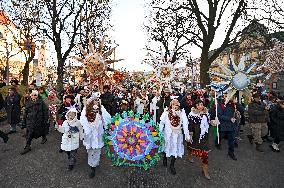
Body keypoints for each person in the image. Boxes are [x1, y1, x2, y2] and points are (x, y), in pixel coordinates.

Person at [80, 93, 111, 178]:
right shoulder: (86, 109)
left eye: (98, 100)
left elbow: (107, 118)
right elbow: (83, 120)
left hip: (98, 132)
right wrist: (88, 127)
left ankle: (93, 167)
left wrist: (107, 125)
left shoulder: (101, 108)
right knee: (90, 149)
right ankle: (91, 163)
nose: (97, 101)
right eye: (95, 100)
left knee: (97, 149)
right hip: (89, 133)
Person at [159, 99, 190, 175]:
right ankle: (165, 158)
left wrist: (187, 134)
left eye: (176, 105)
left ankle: (172, 165)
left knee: (175, 148)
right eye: (173, 104)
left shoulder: (182, 112)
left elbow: (185, 124)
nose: (175, 106)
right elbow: (162, 122)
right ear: (171, 105)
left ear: (178, 105)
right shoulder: (166, 112)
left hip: (177, 134)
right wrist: (160, 132)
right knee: (166, 146)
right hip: (168, 133)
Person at [187, 99, 211, 180]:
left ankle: (205, 171)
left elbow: (208, 123)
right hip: (195, 136)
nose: (202, 106)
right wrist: (190, 135)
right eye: (200, 104)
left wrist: (213, 122)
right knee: (191, 148)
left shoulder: (206, 113)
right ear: (196, 106)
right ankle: (189, 156)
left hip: (204, 137)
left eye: (202, 104)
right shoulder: (192, 114)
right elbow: (190, 125)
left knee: (205, 155)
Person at [20, 90, 49, 155]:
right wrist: (24, 121)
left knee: (40, 130)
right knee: (29, 133)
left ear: (37, 95)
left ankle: (44, 137)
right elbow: (26, 113)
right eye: (32, 95)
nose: (33, 96)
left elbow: (45, 111)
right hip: (30, 121)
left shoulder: (41, 102)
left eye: (35, 95)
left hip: (39, 120)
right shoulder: (28, 102)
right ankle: (27, 146)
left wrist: (45, 119)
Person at [217, 96, 238, 160]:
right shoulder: (221, 105)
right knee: (221, 136)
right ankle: (217, 142)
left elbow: (242, 109)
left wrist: (237, 104)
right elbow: (220, 115)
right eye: (226, 96)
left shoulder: (234, 105)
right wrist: (229, 118)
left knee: (231, 140)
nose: (228, 98)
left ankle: (231, 152)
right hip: (224, 126)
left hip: (232, 126)